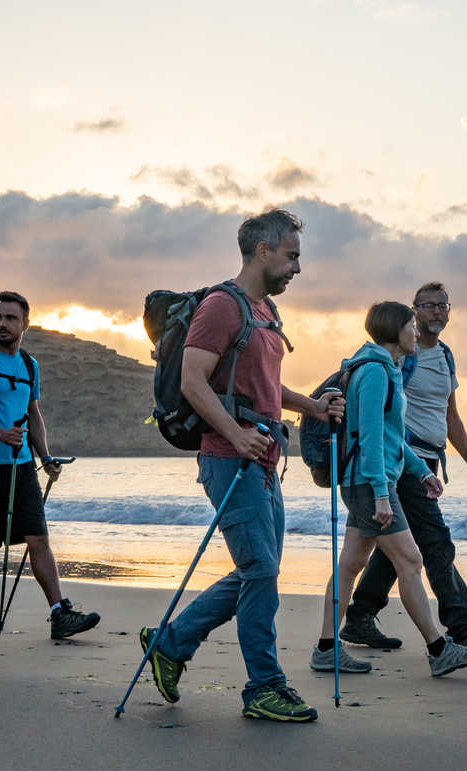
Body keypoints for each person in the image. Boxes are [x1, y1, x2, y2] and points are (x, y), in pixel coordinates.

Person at [139, 209, 343, 723]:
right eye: (291, 255)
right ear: (261, 251)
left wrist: (313, 407)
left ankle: (171, 642)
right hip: (229, 460)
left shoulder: (266, 311)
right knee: (261, 572)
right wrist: (235, 434)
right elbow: (192, 381)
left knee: (259, 571)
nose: (297, 267)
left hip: (263, 460)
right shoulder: (221, 307)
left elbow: (267, 390)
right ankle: (264, 687)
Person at [313, 301, 467, 678]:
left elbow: (393, 438)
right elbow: (372, 438)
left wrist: (421, 471)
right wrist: (380, 492)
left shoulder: (379, 368)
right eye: (411, 326)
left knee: (349, 566)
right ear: (396, 331)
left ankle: (327, 649)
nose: (416, 333)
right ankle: (439, 649)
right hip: (369, 482)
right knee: (409, 561)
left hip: (366, 480)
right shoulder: (376, 373)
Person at [340, 282, 467, 650]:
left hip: (428, 460)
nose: (436, 311)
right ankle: (461, 626)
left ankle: (360, 617)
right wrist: (396, 469)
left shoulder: (445, 356)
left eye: (443, 305)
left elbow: (450, 414)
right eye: (428, 306)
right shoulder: (401, 359)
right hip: (402, 462)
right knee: (435, 542)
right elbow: (378, 419)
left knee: (396, 546)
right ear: (414, 312)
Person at [0, 291, 99, 640]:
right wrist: (2, 435)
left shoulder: (30, 365)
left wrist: (45, 457)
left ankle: (60, 613)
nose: (2, 324)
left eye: (10, 318)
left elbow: (34, 414)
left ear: (25, 324)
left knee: (38, 538)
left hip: (22, 466)